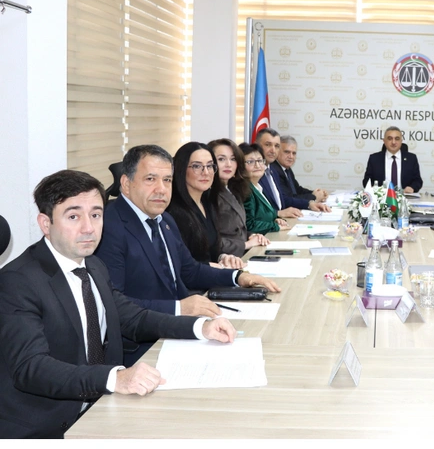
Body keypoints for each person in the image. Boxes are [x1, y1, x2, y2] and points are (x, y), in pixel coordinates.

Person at [0, 170, 237, 438]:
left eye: (96, 215)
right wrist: (115, 378)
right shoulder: (18, 281)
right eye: (73, 216)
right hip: (45, 427)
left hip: (100, 409)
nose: (88, 228)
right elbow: (31, 368)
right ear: (46, 223)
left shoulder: (94, 265)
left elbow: (133, 317)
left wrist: (199, 327)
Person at [95, 145, 279, 365]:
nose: (161, 189)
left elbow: (189, 270)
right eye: (150, 179)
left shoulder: (164, 220)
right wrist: (179, 308)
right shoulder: (108, 227)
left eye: (167, 180)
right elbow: (114, 304)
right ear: (126, 184)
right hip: (142, 348)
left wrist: (238, 277)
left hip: (179, 332)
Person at [166, 142, 243, 268]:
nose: (206, 172)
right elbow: (182, 265)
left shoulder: (208, 201)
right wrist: (213, 267)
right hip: (197, 279)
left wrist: (223, 257)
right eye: (197, 166)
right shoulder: (174, 211)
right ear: (181, 169)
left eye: (210, 166)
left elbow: (211, 249)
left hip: (213, 275)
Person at [208, 138, 270, 257]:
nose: (228, 164)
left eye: (233, 159)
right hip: (226, 259)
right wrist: (246, 244)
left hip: (241, 255)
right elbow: (211, 240)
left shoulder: (233, 189)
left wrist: (252, 236)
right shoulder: (208, 194)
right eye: (221, 159)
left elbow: (238, 229)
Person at [255, 128, 330, 217]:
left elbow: (294, 192)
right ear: (256, 146)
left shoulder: (273, 170)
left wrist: (314, 194)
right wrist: (313, 197)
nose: (273, 150)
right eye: (268, 145)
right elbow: (286, 199)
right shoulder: (255, 172)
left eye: (276, 146)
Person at [241, 142, 290, 235]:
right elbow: (248, 225)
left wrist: (276, 220)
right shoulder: (244, 190)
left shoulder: (258, 188)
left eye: (260, 161)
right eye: (250, 162)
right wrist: (275, 226)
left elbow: (262, 216)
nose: (257, 165)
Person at [362, 126, 423, 193]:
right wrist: (374, 189)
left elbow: (418, 181)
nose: (393, 142)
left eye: (397, 139)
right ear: (384, 141)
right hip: (382, 197)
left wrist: (412, 188)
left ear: (401, 141)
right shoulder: (374, 159)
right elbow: (366, 181)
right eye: (390, 138)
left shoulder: (411, 158)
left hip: (405, 197)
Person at [274, 135, 329, 202]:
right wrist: (314, 197)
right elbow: (288, 198)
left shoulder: (287, 169)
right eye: (287, 152)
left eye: (294, 153)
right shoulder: (274, 171)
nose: (291, 156)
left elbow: (297, 190)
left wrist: (315, 193)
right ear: (277, 152)